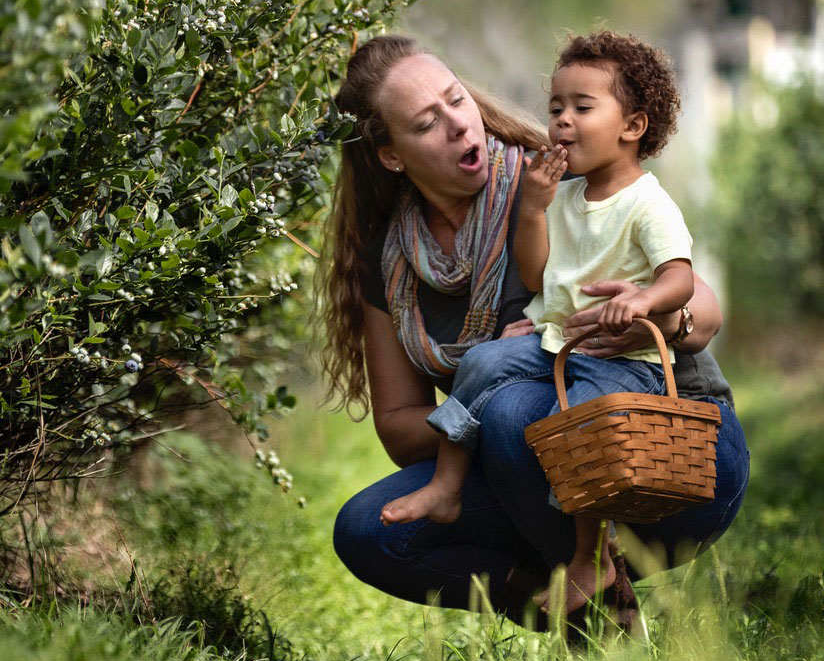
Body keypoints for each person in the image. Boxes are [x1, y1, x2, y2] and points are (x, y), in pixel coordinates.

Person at [320, 34, 749, 627]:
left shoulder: (548, 185)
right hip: (530, 478)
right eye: (426, 123)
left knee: (514, 409)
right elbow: (397, 429)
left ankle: (596, 595)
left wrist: (651, 318)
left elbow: (704, 307)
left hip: (671, 446)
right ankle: (570, 597)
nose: (458, 126)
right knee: (370, 529)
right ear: (391, 155)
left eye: (456, 99)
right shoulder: (389, 260)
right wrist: (494, 398)